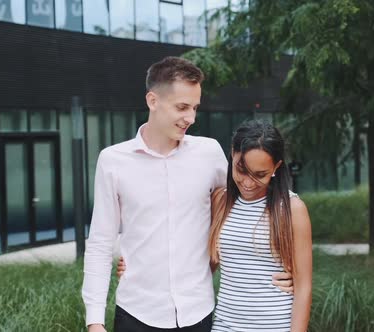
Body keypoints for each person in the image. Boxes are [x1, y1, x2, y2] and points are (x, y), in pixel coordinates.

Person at [82, 56, 291, 332]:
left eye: (194, 108)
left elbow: (253, 200)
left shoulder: (209, 153)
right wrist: (94, 320)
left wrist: (289, 267)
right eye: (182, 107)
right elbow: (100, 242)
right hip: (137, 312)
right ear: (152, 101)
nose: (190, 118)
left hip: (198, 313)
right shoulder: (113, 161)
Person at [119, 120, 313, 332]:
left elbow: (303, 287)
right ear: (232, 154)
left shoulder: (292, 209)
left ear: (276, 167)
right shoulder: (221, 201)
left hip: (275, 326)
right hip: (225, 325)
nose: (248, 182)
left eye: (260, 175)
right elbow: (198, 262)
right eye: (241, 170)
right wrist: (141, 267)